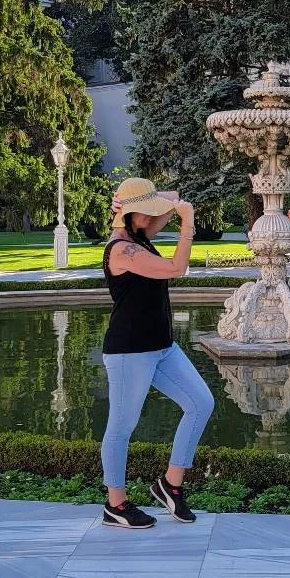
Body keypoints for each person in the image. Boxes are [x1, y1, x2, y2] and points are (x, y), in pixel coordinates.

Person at [98, 177, 214, 529]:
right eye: (145, 213)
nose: (153, 218)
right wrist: (188, 225)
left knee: (201, 403)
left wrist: (135, 201)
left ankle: (170, 485)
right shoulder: (121, 249)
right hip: (129, 351)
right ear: (132, 216)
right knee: (121, 425)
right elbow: (176, 269)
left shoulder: (139, 236)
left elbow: (172, 202)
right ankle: (115, 504)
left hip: (162, 347)